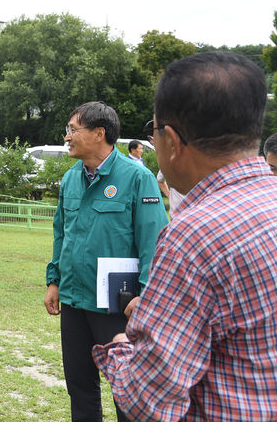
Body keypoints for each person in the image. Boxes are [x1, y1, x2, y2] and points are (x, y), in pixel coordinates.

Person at [93, 52, 277, 420]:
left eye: (155, 132)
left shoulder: (193, 235)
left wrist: (120, 348)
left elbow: (150, 398)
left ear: (172, 142)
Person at [43, 101, 168, 422]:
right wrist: (54, 280)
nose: (67, 137)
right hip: (73, 299)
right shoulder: (72, 177)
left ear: (99, 133)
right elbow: (61, 233)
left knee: (126, 390)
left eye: (73, 129)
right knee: (80, 386)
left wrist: (145, 296)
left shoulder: (137, 178)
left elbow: (153, 243)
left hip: (120, 305)